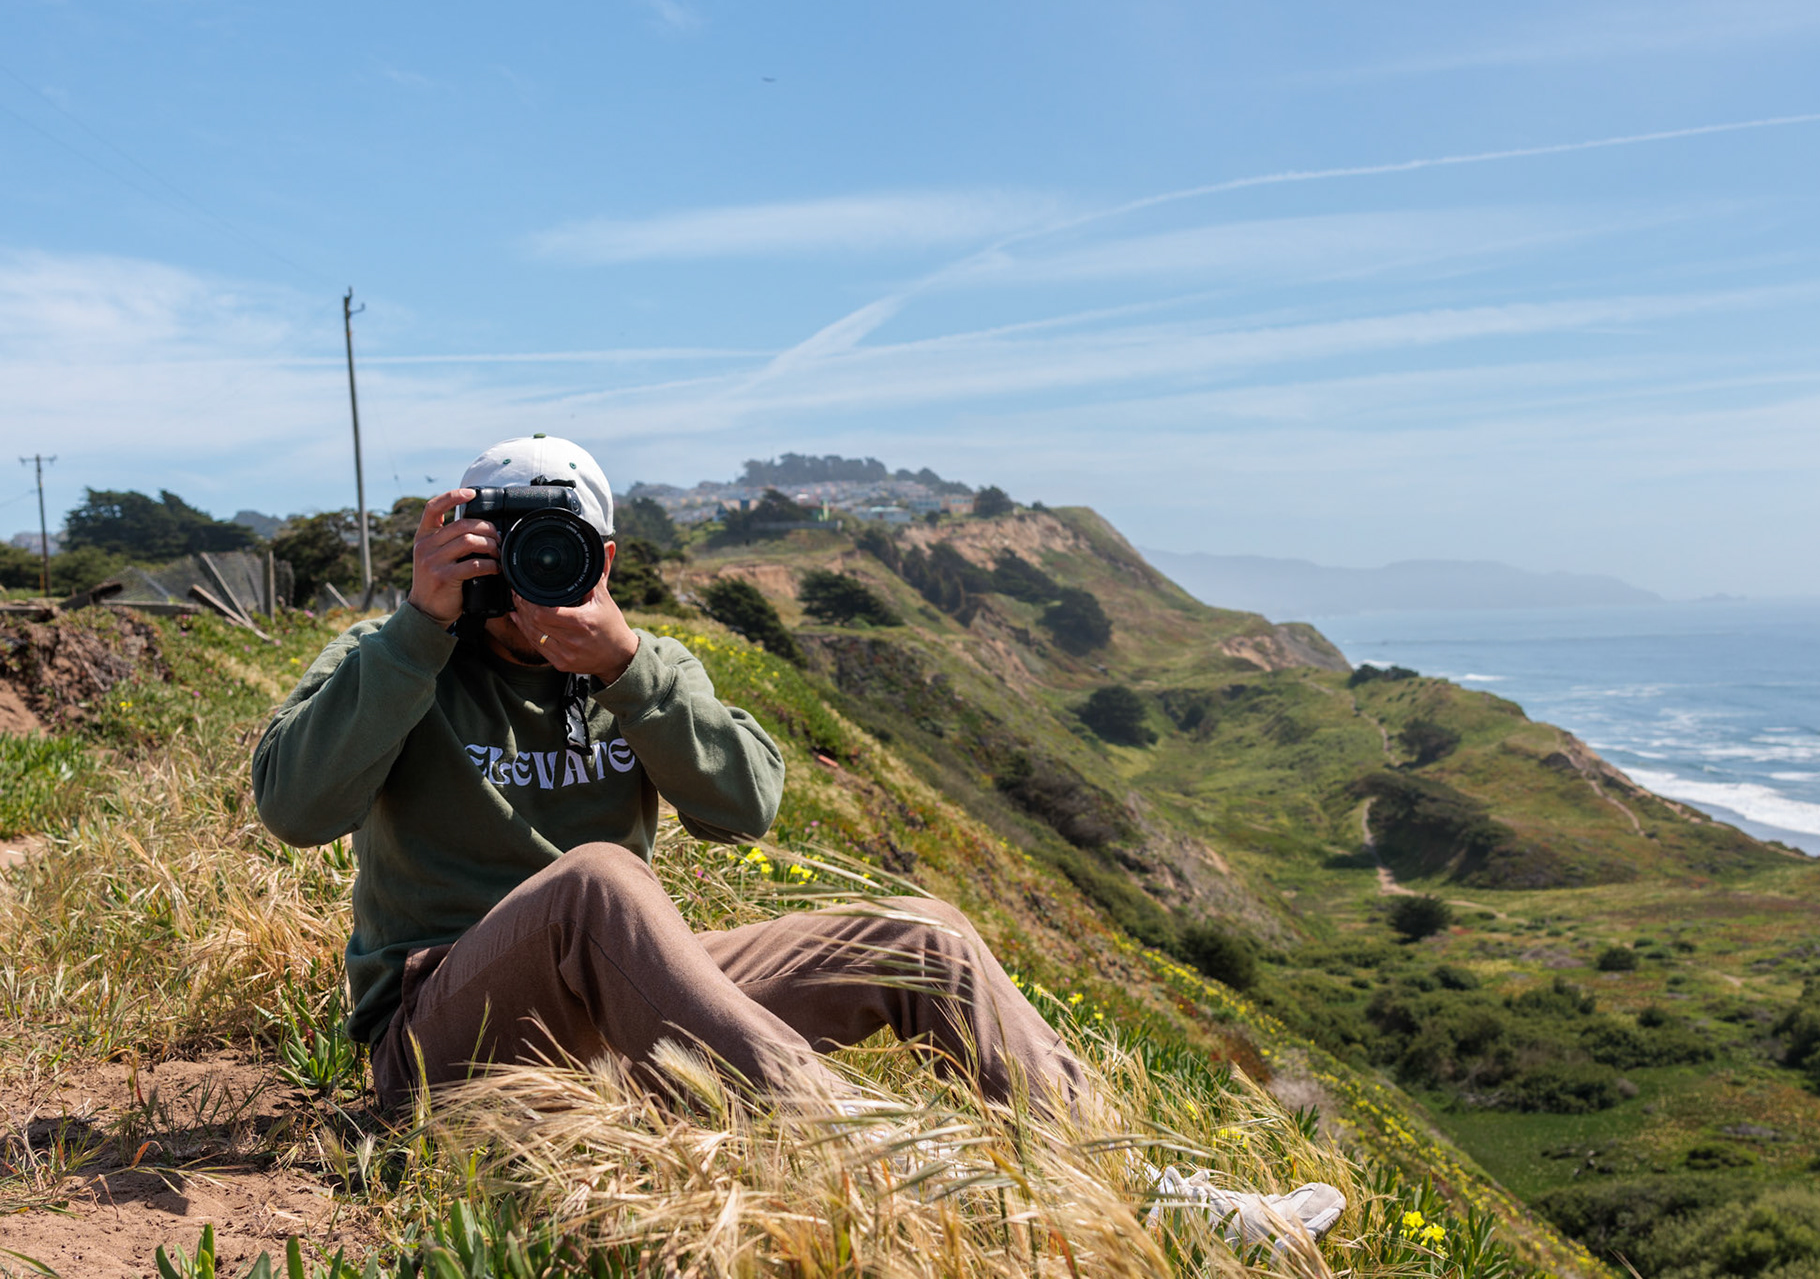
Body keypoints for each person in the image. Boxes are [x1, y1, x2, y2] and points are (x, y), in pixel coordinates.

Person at [252, 435, 1343, 1252]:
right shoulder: (391, 656)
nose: (533, 574)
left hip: (617, 1006)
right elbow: (294, 811)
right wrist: (418, 627)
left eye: (560, 549)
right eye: (508, 547)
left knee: (926, 939)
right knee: (601, 880)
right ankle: (888, 1163)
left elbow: (745, 807)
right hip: (442, 1045)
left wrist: (627, 670)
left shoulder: (637, 666)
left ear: (605, 557)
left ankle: (1139, 1191)